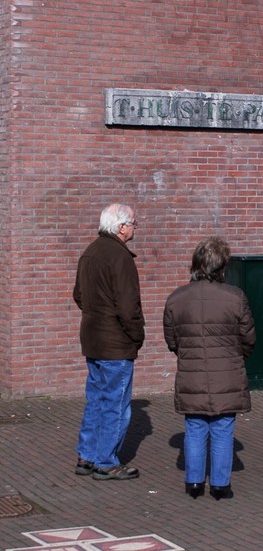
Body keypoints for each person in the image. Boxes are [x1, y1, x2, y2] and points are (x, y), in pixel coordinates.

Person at [163, 236, 256, 501]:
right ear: (221, 266)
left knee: (194, 426)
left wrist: (189, 354)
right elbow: (248, 337)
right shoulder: (235, 297)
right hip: (228, 372)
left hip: (191, 373)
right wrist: (235, 357)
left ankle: (193, 483)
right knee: (223, 428)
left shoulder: (176, 298)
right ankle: (219, 485)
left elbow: (172, 340)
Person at [73, 203, 145, 481]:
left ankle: (87, 455)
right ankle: (105, 461)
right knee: (116, 403)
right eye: (134, 223)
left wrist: (96, 314)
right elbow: (129, 307)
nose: (135, 228)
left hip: (92, 338)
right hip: (115, 342)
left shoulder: (90, 252)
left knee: (96, 399)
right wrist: (136, 335)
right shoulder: (120, 257)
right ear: (121, 226)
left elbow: (78, 295)